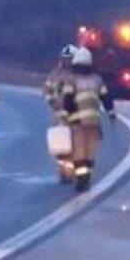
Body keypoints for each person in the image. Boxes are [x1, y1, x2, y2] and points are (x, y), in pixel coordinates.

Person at [60, 46, 114, 191]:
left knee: (79, 149)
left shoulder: (71, 80)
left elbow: (67, 100)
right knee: (90, 150)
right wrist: (111, 113)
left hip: (77, 121)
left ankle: (81, 179)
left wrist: (64, 116)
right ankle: (87, 175)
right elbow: (106, 98)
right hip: (94, 121)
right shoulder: (97, 80)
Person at [44, 44, 77, 182]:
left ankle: (69, 171)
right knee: (61, 145)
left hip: (74, 114)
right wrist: (54, 104)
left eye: (70, 58)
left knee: (73, 143)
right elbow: (47, 92)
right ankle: (65, 171)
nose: (68, 61)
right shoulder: (55, 75)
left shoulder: (77, 75)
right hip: (61, 115)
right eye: (66, 58)